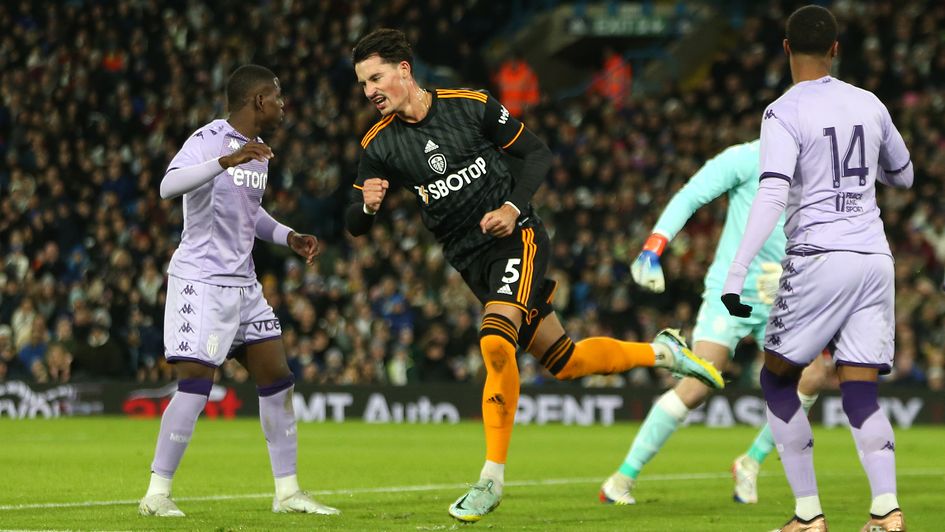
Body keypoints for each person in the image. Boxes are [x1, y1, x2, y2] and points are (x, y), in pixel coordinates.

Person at [345, 28, 724, 523]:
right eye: (362, 83)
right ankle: (663, 352)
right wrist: (368, 207)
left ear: (404, 71)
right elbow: (353, 221)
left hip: (516, 236)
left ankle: (490, 480)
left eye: (376, 77)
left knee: (495, 341)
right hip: (471, 262)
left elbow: (537, 154)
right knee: (565, 361)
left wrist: (510, 206)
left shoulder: (470, 105)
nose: (370, 90)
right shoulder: (378, 145)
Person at [721, 6, 912, 531]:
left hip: (819, 257)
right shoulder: (869, 104)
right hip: (875, 259)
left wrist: (736, 273)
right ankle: (886, 511)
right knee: (859, 390)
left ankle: (808, 516)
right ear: (835, 49)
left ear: (785, 49)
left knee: (778, 381)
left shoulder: (783, 112)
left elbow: (774, 188)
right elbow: (904, 173)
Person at [138, 65, 339, 518]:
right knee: (195, 385)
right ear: (258, 101)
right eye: (278, 95)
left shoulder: (260, 153)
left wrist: (289, 236)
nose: (283, 104)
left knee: (277, 379)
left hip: (244, 284)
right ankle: (156, 493)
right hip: (202, 281)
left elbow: (251, 213)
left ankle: (287, 493)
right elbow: (168, 185)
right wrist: (223, 162)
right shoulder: (209, 139)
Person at [599, 139, 828, 507]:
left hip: (785, 294)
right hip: (732, 290)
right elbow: (691, 195)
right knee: (699, 382)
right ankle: (622, 478)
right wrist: (654, 246)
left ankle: (750, 461)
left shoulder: (824, 174)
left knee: (815, 373)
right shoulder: (748, 158)